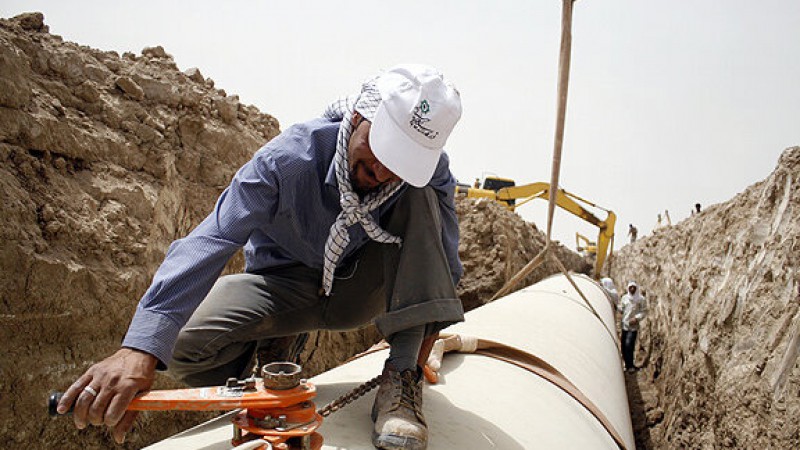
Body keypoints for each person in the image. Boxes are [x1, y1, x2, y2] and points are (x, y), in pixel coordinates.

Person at [56, 64, 465, 450]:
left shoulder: (427, 176)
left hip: (362, 290)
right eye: (381, 148)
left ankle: (400, 379)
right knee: (179, 342)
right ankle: (273, 356)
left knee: (422, 196)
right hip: (283, 288)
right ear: (357, 116)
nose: (384, 170)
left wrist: (419, 341)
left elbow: (439, 262)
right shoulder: (287, 160)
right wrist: (140, 349)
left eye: (401, 162)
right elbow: (212, 238)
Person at [617, 281, 648, 373]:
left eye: (634, 287)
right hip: (624, 325)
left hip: (633, 327)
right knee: (623, 346)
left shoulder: (641, 299)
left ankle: (630, 365)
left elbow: (644, 311)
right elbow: (622, 308)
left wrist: (636, 318)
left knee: (629, 345)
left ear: (636, 288)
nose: (632, 289)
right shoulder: (625, 298)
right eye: (630, 287)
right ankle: (627, 365)